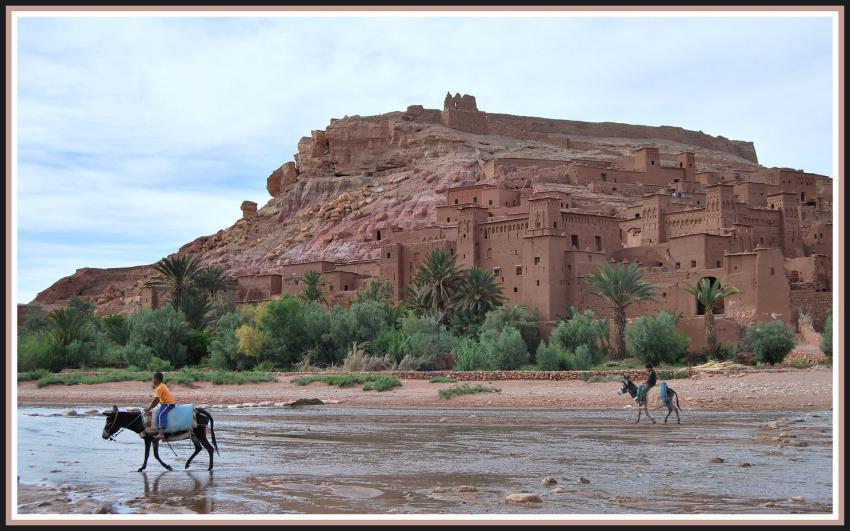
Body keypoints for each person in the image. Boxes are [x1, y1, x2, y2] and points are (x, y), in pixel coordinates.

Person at [145, 371, 175, 441]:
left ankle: (161, 434)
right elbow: (157, 400)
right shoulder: (161, 385)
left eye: (153, 379)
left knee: (160, 415)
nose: (152, 381)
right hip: (163, 403)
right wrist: (151, 407)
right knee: (157, 413)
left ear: (157, 380)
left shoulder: (160, 388)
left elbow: (156, 400)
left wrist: (149, 408)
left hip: (168, 404)